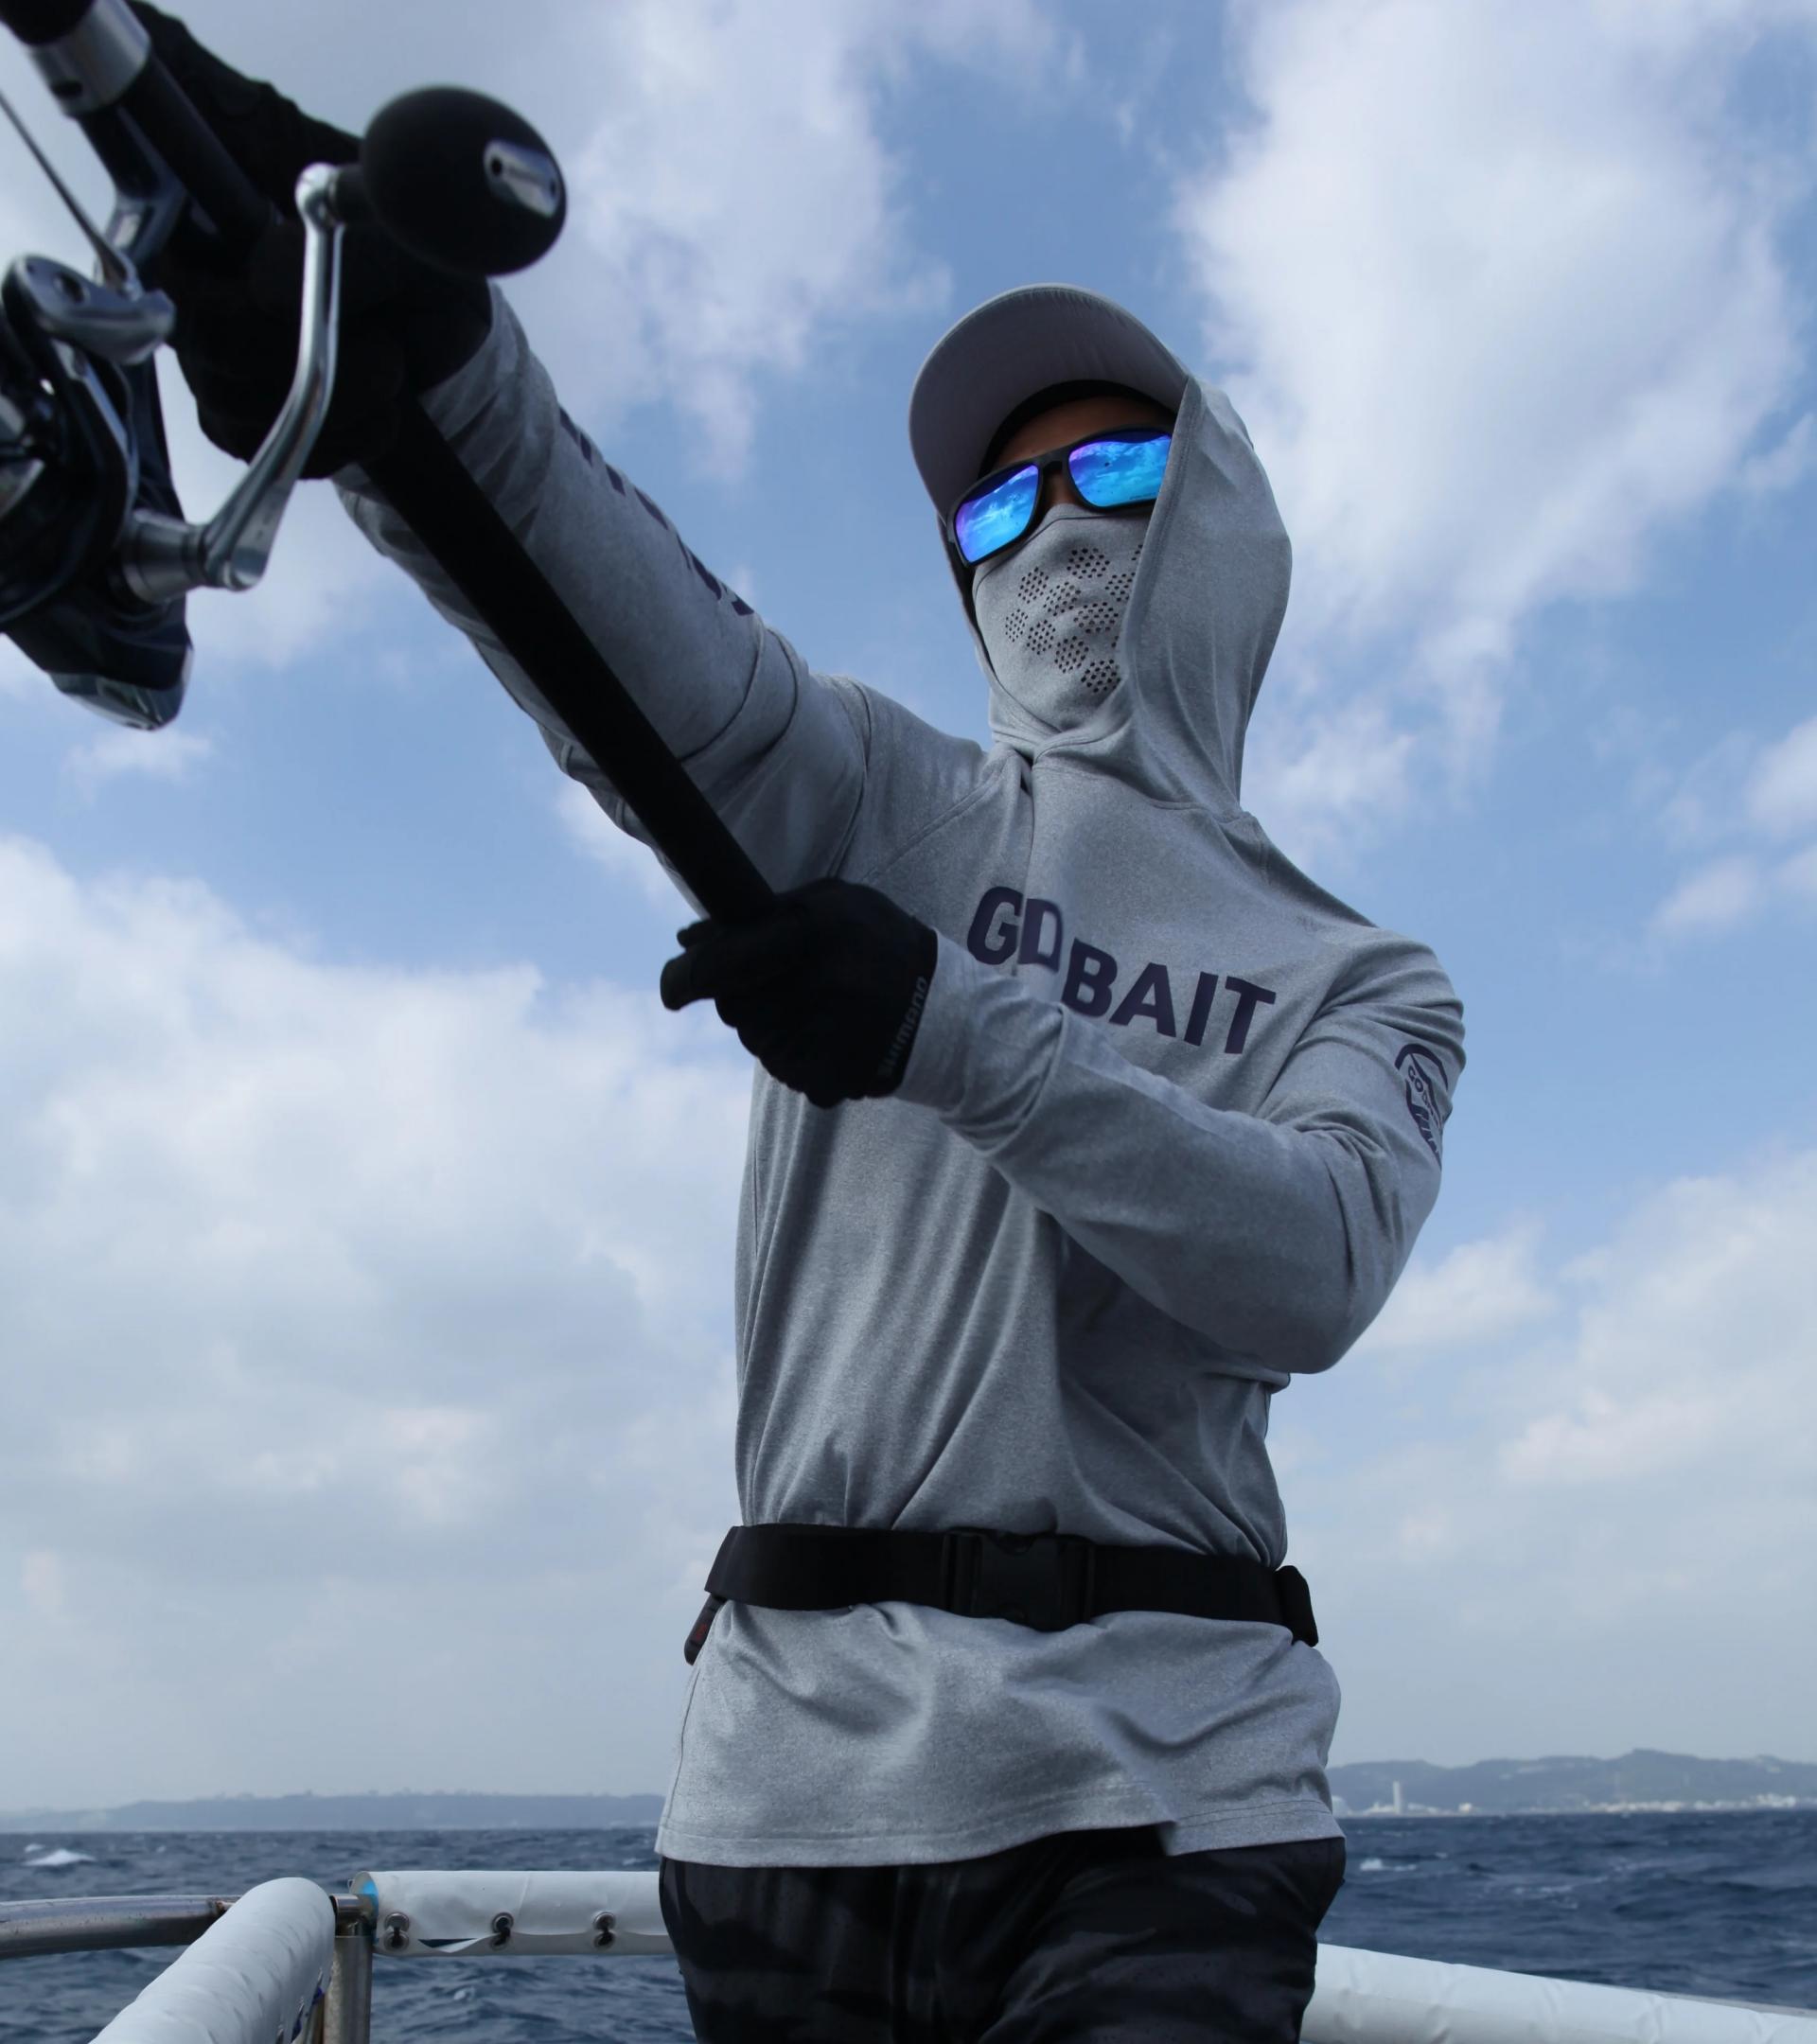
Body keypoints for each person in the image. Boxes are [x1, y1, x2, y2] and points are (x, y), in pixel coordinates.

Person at [134, 10, 1465, 2036]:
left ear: (1223, 526)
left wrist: (951, 1028)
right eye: (995, 508)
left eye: (1111, 468)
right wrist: (429, 380)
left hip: (1167, 1800)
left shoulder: (1361, 976)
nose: (1048, 527)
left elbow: (1314, 1264)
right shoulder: (878, 801)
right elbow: (651, 655)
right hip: (786, 1802)